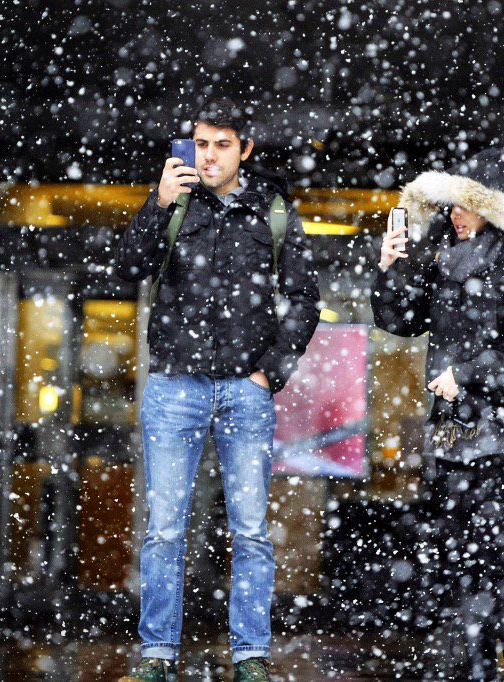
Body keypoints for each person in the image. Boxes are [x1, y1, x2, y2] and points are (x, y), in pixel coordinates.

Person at [114, 99, 320, 682]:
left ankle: (250, 655)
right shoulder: (174, 201)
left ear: (244, 150)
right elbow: (126, 270)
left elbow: (305, 298)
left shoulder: (273, 210)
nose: (208, 156)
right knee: (165, 530)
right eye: (201, 144)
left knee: (251, 531)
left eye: (222, 145)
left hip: (244, 389)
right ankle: (158, 655)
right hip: (175, 385)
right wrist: (157, 204)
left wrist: (270, 371)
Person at [370, 148, 504, 681]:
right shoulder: (445, 257)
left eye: (469, 205)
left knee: (489, 554)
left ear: (495, 209)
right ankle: (483, 667)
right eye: (454, 204)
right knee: (465, 556)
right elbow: (400, 321)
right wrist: (389, 268)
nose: (457, 214)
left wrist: (468, 374)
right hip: (455, 432)